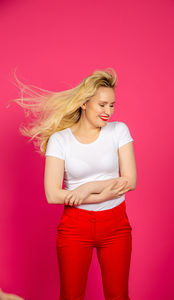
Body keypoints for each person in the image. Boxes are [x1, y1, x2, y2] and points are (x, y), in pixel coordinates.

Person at [10, 68, 137, 300]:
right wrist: (100, 192)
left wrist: (86, 189)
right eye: (102, 105)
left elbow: (130, 181)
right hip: (75, 227)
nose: (108, 111)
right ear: (84, 103)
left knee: (119, 296)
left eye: (112, 105)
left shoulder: (119, 131)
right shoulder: (60, 140)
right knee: (71, 296)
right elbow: (52, 194)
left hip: (116, 225)